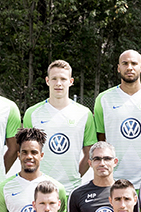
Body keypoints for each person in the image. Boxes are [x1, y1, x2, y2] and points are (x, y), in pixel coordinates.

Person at [92, 49, 141, 187]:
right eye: (125, 63)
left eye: (134, 63)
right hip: (113, 179)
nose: (129, 67)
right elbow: (101, 139)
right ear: (118, 68)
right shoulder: (104, 99)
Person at [22, 59, 96, 194]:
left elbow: (89, 152)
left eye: (63, 79)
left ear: (71, 81)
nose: (58, 83)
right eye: (54, 79)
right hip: (39, 188)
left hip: (72, 189)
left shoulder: (84, 114)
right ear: (47, 81)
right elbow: (25, 152)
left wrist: (76, 176)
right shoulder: (32, 113)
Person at [0, 127, 67, 212]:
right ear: (18, 155)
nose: (29, 156)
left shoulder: (58, 188)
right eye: (25, 152)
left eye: (34, 152)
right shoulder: (3, 188)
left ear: (41, 155)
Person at [68, 141, 138, 212]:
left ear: (115, 162)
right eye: (97, 159)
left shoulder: (127, 192)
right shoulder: (78, 194)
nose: (102, 163)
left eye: (107, 159)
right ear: (90, 163)